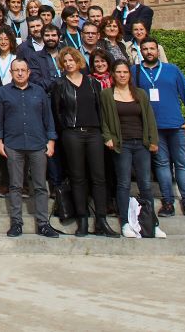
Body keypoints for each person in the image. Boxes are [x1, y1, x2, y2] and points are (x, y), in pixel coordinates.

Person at [49, 47, 114, 237]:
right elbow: (57, 112)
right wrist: (66, 131)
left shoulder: (93, 83)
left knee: (99, 177)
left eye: (72, 60)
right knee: (78, 178)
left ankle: (101, 220)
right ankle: (83, 220)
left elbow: (100, 109)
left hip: (94, 133)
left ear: (78, 61)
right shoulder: (59, 84)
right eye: (65, 61)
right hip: (72, 134)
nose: (69, 63)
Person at [0, 58, 61, 238]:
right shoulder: (3, 92)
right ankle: (16, 223)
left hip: (37, 144)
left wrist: (51, 141)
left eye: (23, 70)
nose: (20, 73)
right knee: (15, 186)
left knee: (40, 186)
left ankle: (43, 224)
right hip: (13, 144)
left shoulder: (39, 92)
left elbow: (48, 118)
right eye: (16, 70)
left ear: (29, 72)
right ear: (11, 72)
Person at [138, 37, 185, 218]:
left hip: (175, 125)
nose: (149, 52)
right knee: (162, 164)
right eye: (145, 49)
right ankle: (167, 202)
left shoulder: (171, 70)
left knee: (181, 164)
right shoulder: (135, 72)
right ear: (140, 51)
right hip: (153, 127)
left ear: (158, 51)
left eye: (152, 48)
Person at [103, 58, 159, 238]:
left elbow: (149, 118)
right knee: (124, 183)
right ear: (113, 74)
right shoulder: (107, 94)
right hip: (122, 144)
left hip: (141, 143)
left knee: (145, 184)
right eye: (118, 72)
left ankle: (152, 222)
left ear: (129, 74)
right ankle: (125, 222)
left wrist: (153, 140)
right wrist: (108, 138)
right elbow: (103, 119)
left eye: (125, 72)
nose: (122, 75)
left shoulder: (140, 94)